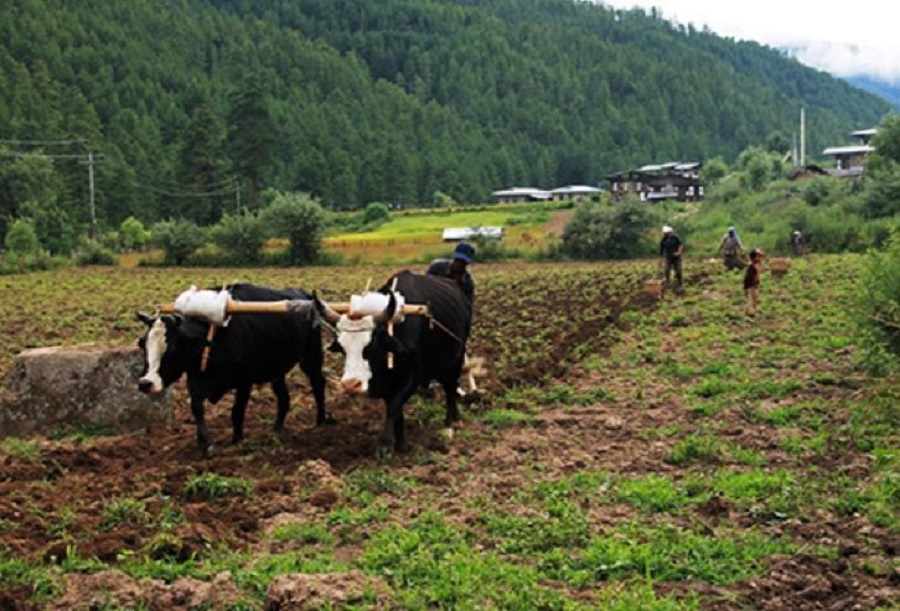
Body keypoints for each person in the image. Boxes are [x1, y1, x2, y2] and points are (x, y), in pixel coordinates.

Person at [427, 241, 475, 309]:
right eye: (457, 260)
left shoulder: (467, 283)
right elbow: (426, 287)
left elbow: (467, 306)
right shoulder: (436, 267)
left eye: (462, 262)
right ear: (453, 257)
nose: (458, 264)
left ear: (467, 263)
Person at [744, 248, 764, 316]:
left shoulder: (754, 265)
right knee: (751, 298)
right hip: (751, 285)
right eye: (758, 256)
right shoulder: (753, 266)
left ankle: (752, 310)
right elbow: (753, 277)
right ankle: (751, 312)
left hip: (753, 285)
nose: (760, 258)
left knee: (754, 298)